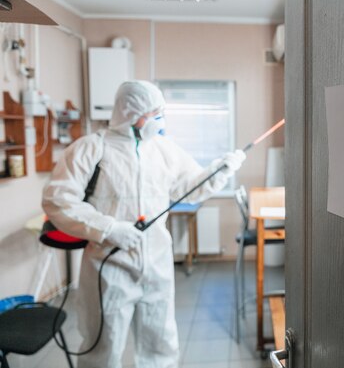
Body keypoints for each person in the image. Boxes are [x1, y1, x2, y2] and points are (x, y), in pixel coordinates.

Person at [42, 80, 246, 367]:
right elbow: (58, 201)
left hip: (157, 264)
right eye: (153, 113)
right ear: (130, 112)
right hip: (109, 267)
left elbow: (189, 187)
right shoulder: (91, 149)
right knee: (103, 347)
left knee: (160, 345)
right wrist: (109, 228)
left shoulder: (163, 149)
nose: (158, 119)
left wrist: (219, 171)